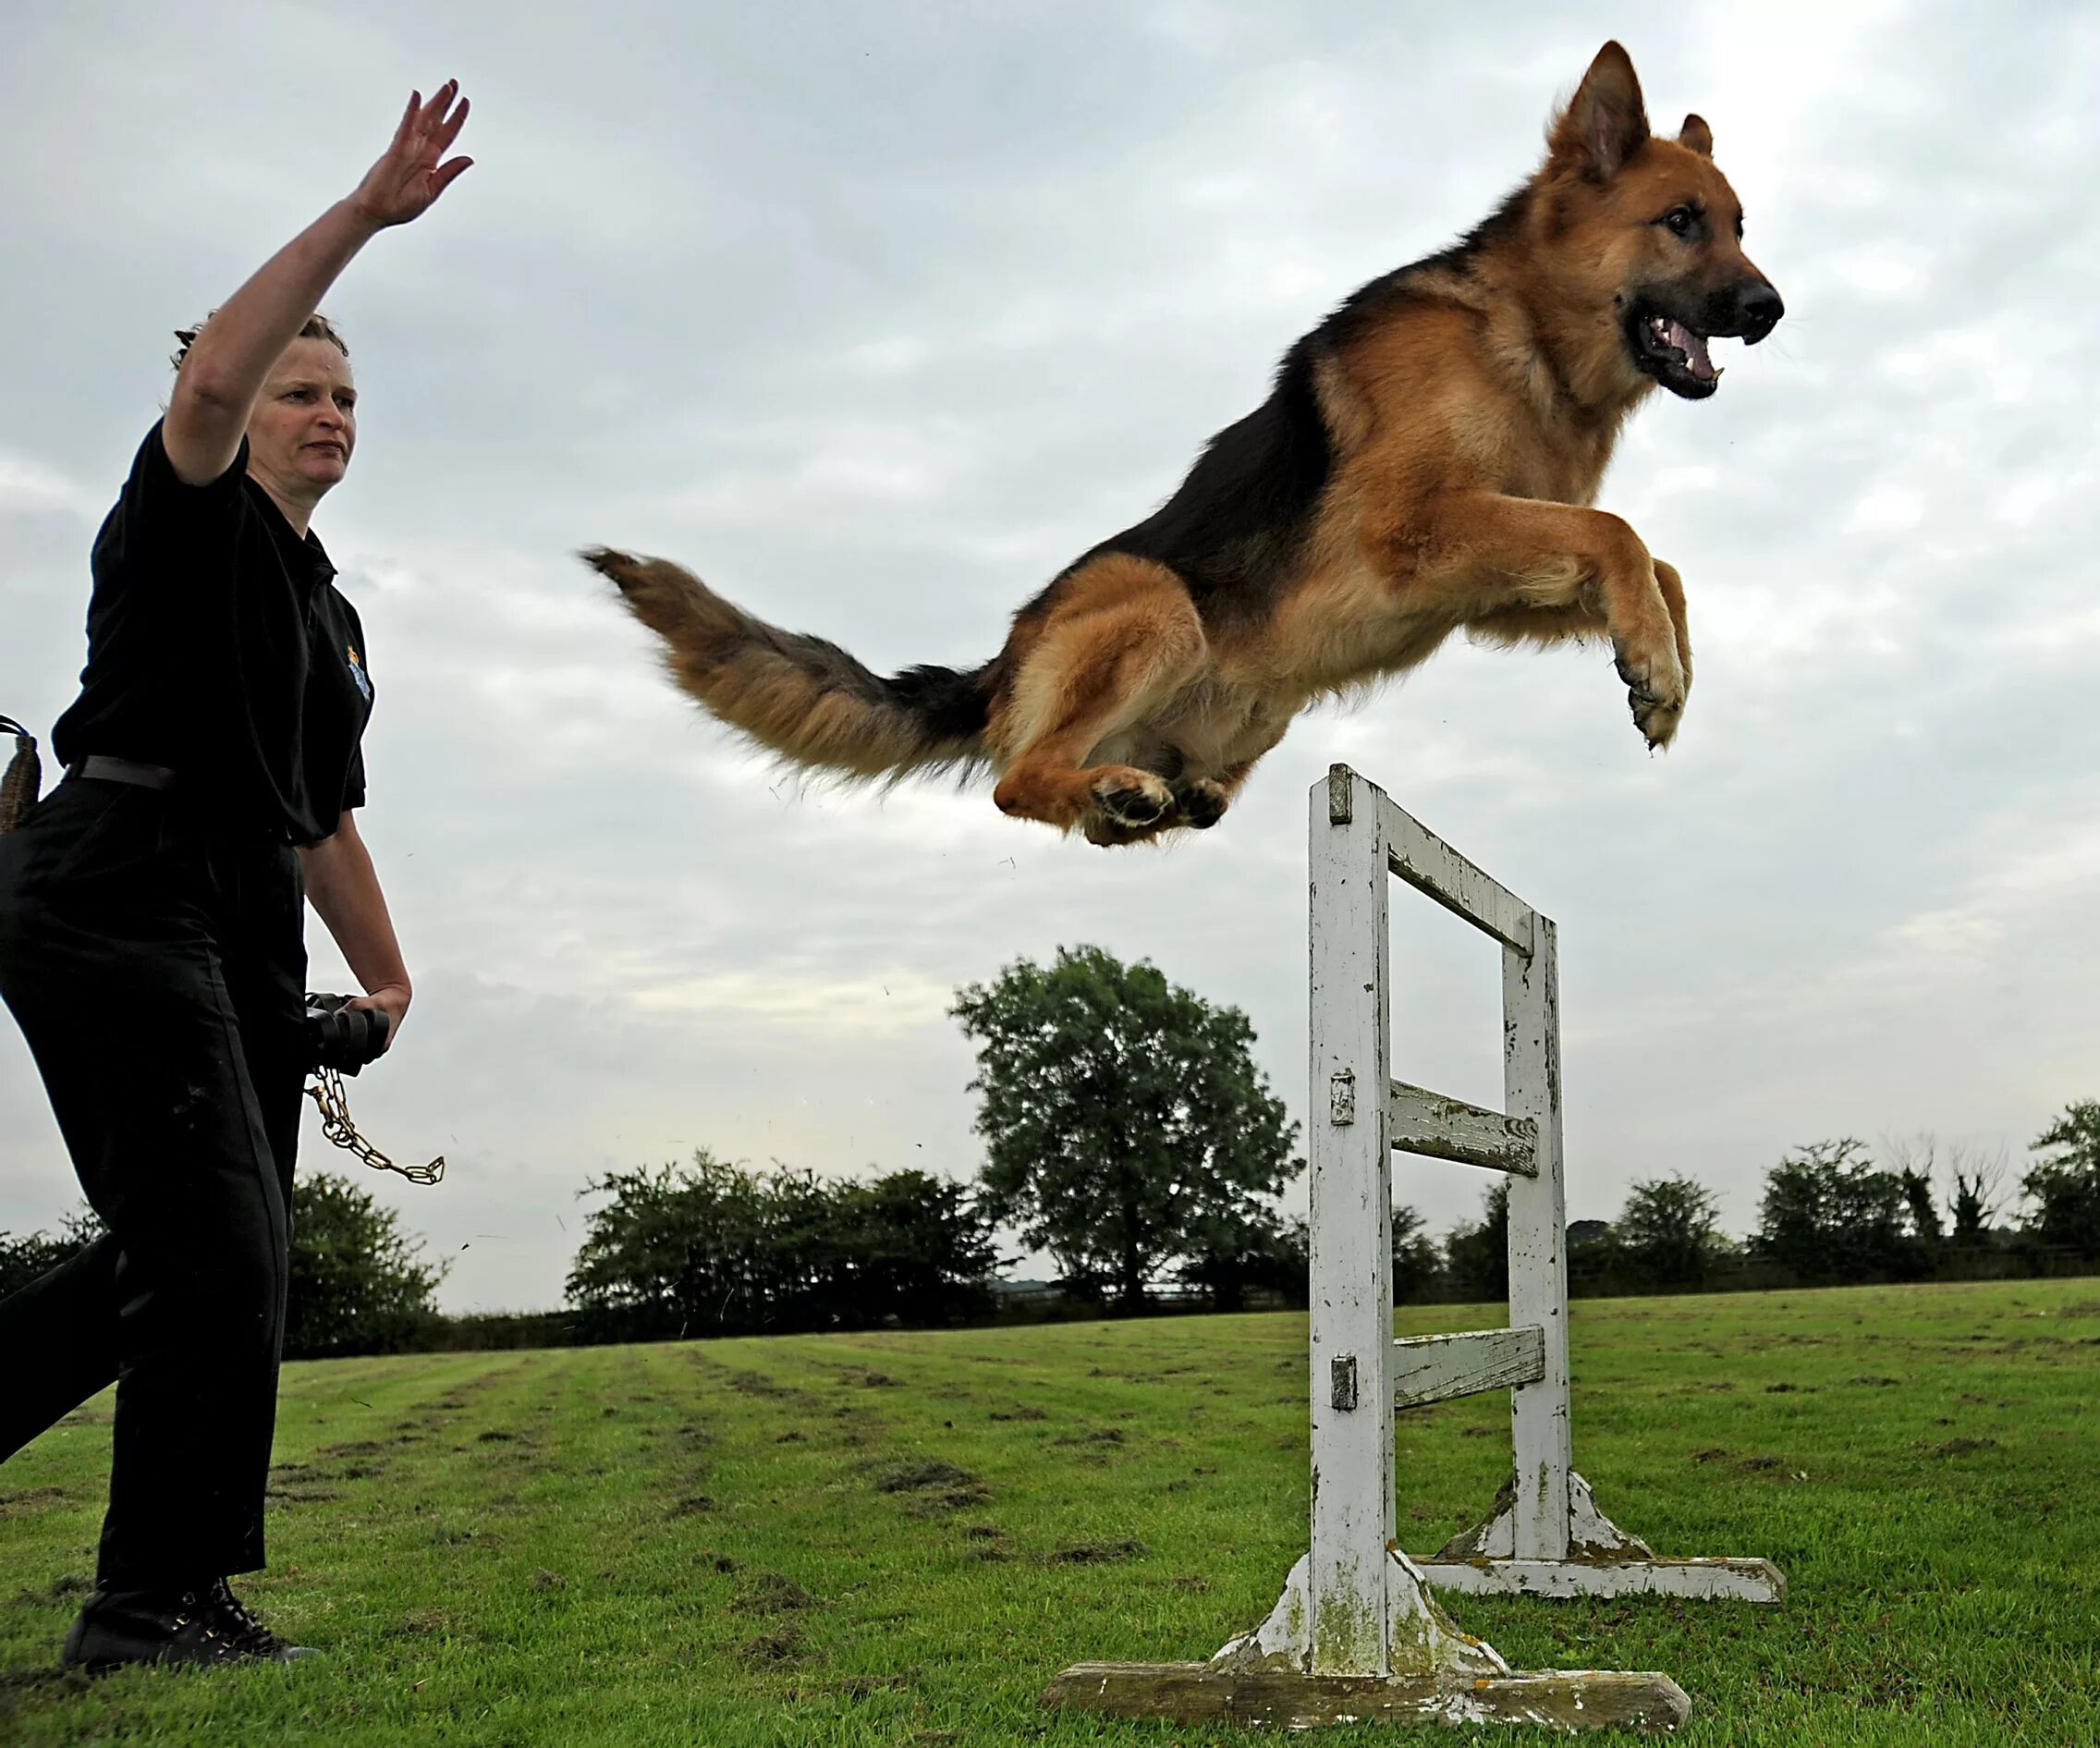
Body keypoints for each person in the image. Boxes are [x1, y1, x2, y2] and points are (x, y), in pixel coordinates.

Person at [0, 81, 472, 1671]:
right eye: (300, 390)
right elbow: (206, 373)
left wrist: (390, 980)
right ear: (241, 408)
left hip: (234, 913)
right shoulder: (188, 512)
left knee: (208, 1254)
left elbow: (321, 819)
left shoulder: (326, 615)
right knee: (215, 1249)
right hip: (111, 879)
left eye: (345, 397)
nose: (327, 414)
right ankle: (141, 1609)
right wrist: (361, 218)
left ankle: (182, 1587)